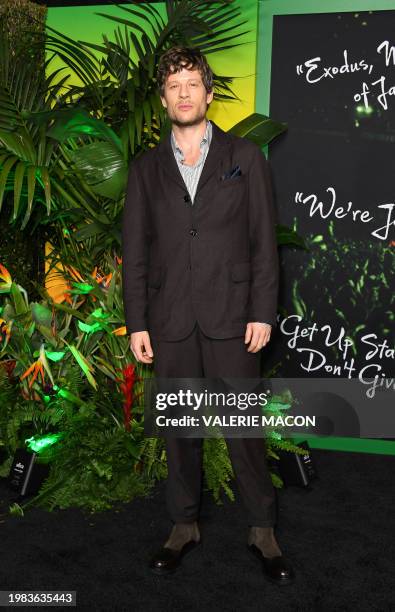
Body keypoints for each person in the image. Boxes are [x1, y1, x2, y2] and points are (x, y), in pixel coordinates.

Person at [121, 46, 294, 585]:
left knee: (244, 432)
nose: (184, 93)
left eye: (192, 83)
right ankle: (183, 525)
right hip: (169, 321)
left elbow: (264, 243)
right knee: (180, 432)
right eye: (174, 86)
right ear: (163, 99)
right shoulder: (146, 169)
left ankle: (263, 530)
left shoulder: (245, 157)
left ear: (209, 92)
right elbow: (138, 250)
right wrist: (137, 322)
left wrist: (263, 311)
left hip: (233, 317)